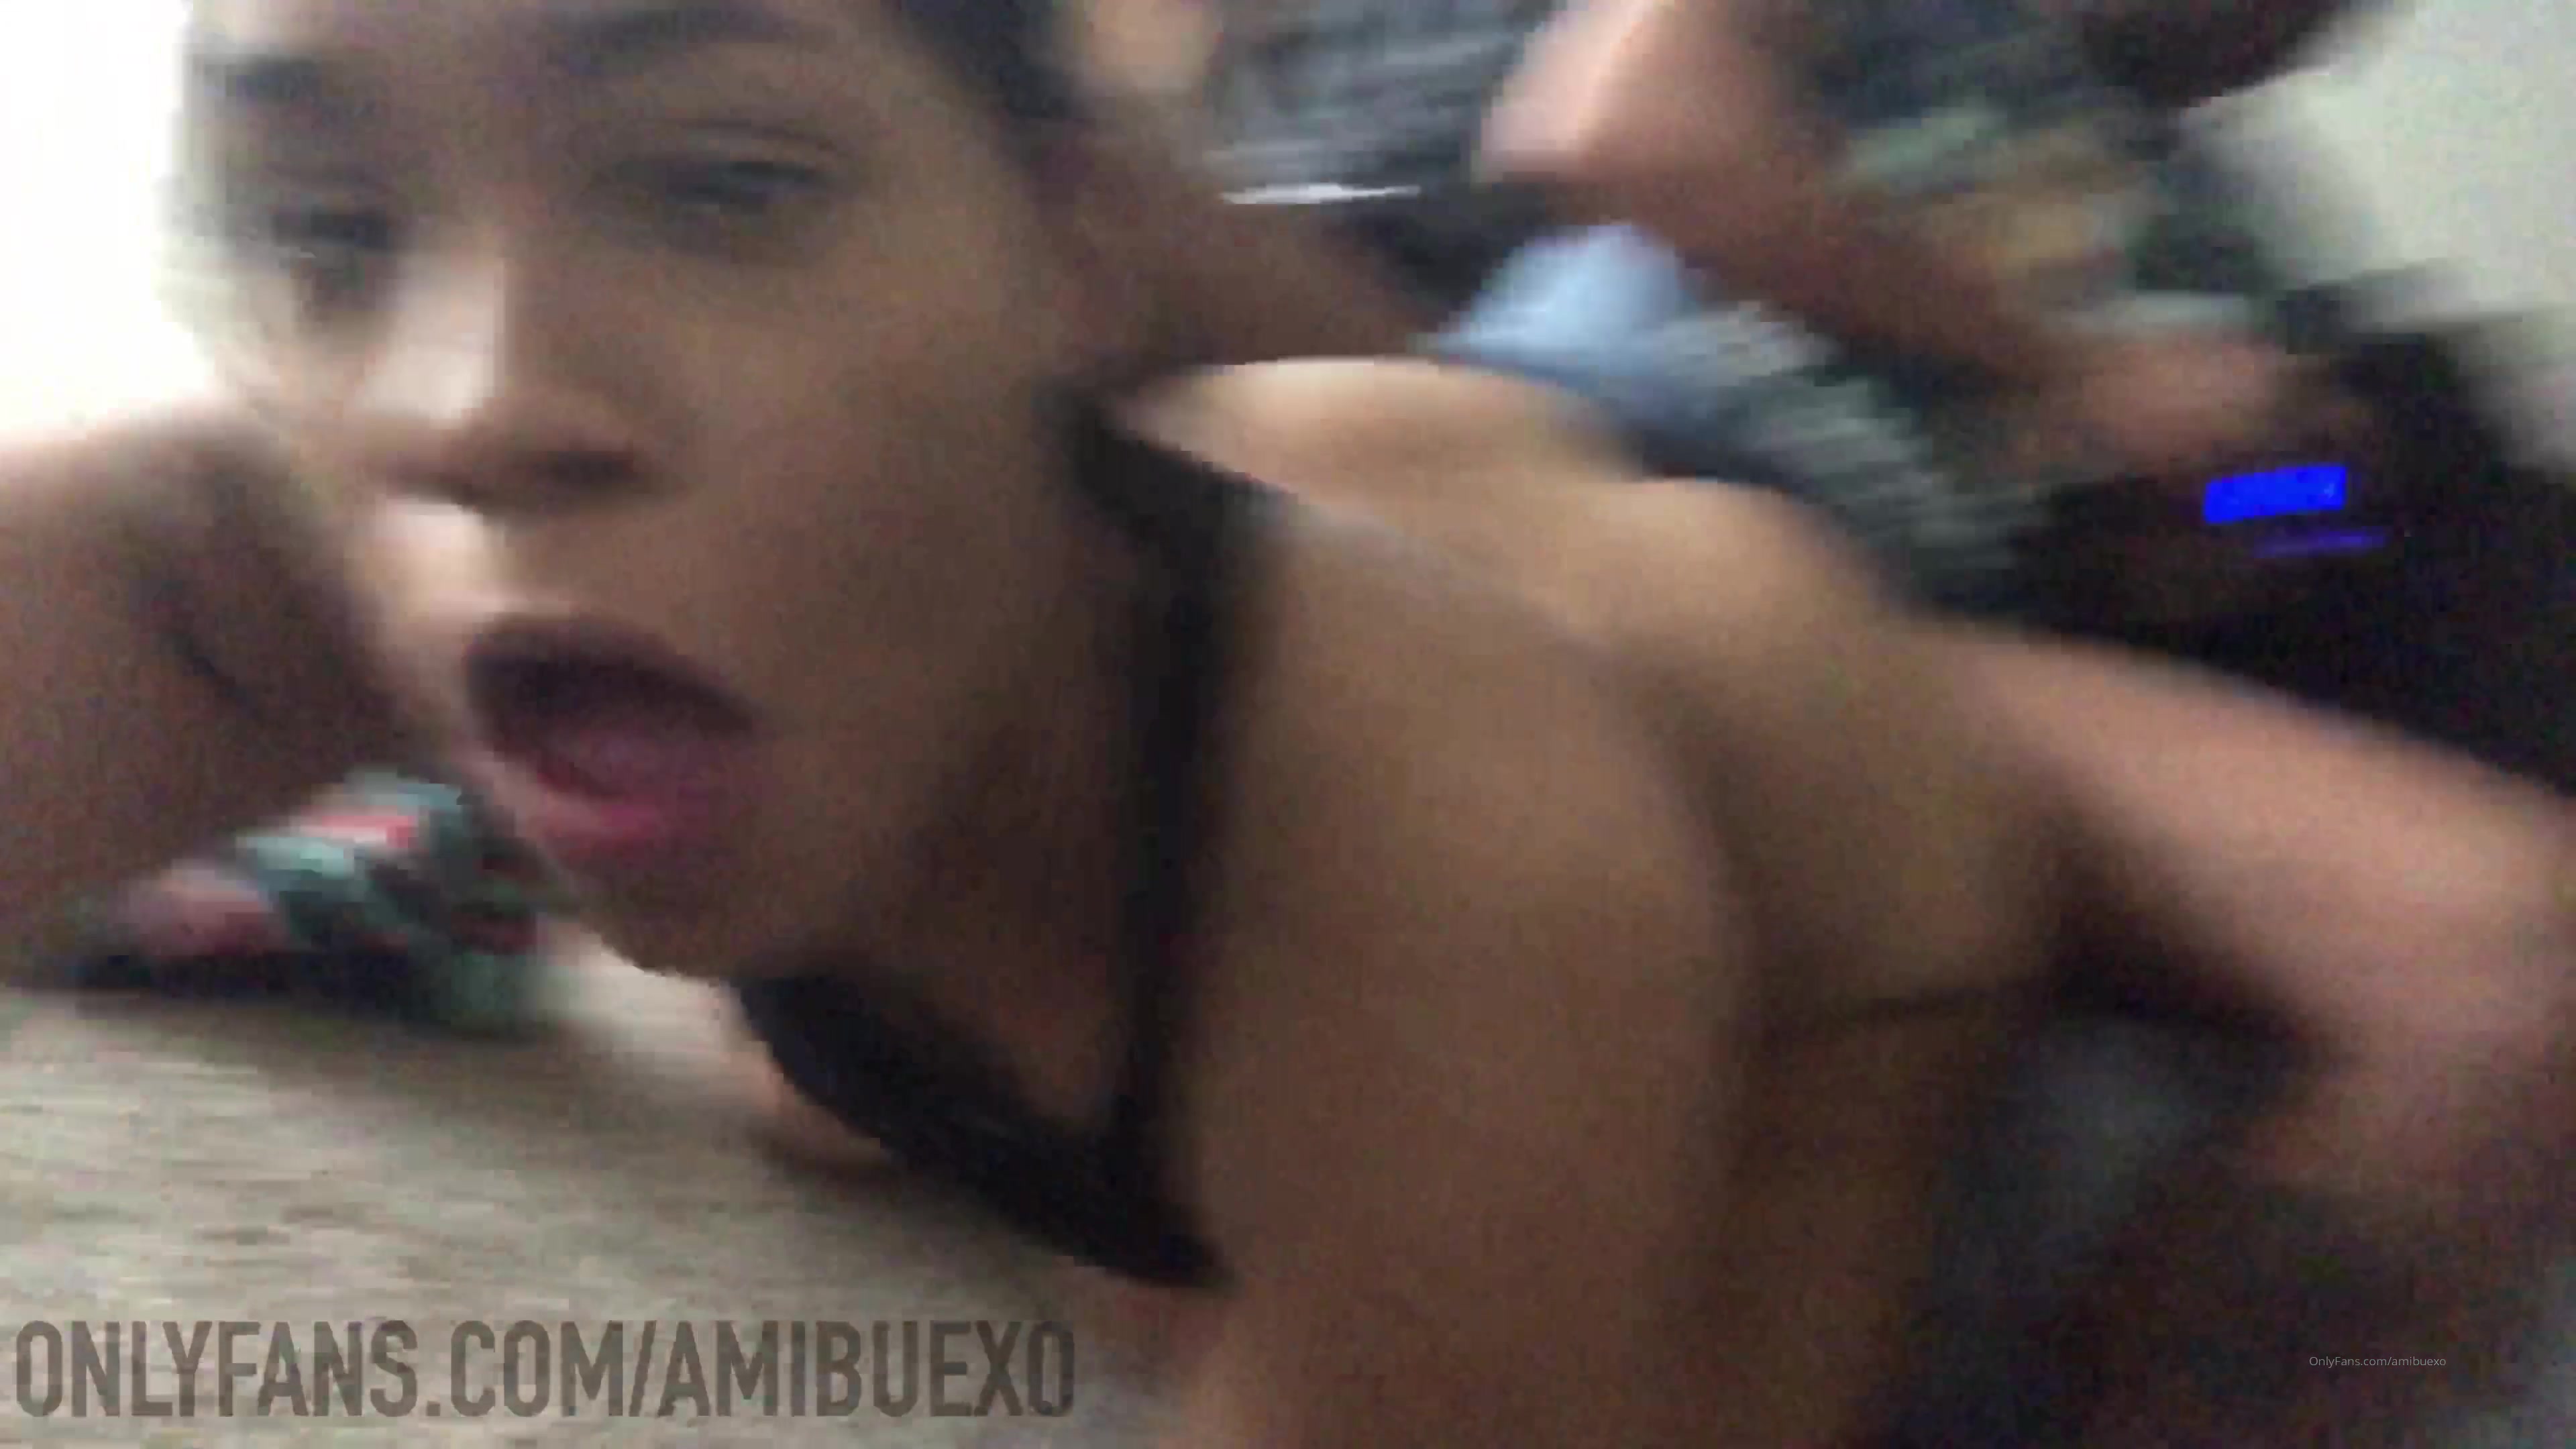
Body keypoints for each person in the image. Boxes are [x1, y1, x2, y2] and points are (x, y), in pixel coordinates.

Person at [0, 5, 2564, 1448]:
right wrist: (2045, 364)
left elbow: (2303, 516)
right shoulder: (1901, 22)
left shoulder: (2244, 256)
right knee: (1041, 816)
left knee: (2502, 960)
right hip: (1503, 398)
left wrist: (2245, 470)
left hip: (1884, 628)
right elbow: (1622, 127)